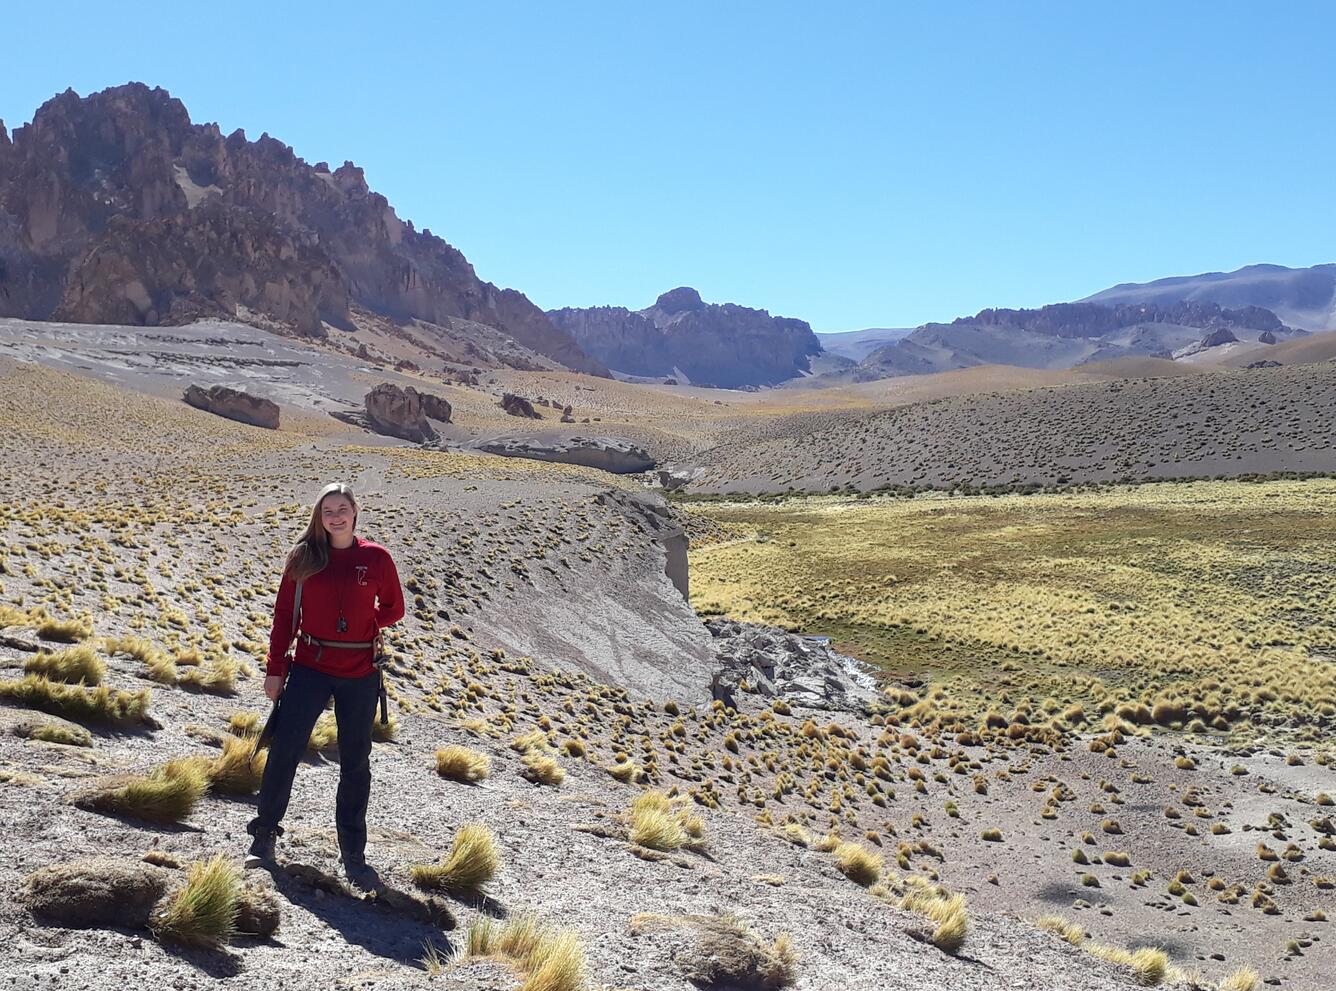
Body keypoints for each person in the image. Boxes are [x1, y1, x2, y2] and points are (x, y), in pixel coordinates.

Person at [245, 482, 404, 887]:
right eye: (328, 510)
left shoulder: (377, 558)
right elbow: (285, 617)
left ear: (355, 512)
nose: (335, 516)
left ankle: (353, 853)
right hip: (310, 666)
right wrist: (275, 668)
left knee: (355, 762)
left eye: (342, 508)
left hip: (360, 671)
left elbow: (394, 609)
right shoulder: (303, 557)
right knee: (285, 749)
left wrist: (364, 626)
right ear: (319, 516)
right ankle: (264, 835)